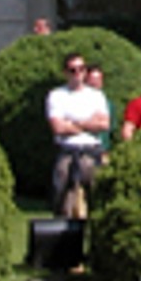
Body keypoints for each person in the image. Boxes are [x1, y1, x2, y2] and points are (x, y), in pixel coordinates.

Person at [46, 51, 109, 217]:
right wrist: (88, 123)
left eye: (82, 69)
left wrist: (72, 124)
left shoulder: (96, 96)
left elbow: (104, 124)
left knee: (97, 191)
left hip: (91, 149)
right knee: (60, 187)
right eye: (73, 70)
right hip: (67, 149)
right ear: (65, 73)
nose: (78, 74)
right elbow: (58, 128)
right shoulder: (57, 95)